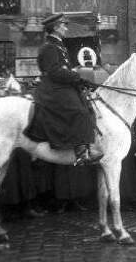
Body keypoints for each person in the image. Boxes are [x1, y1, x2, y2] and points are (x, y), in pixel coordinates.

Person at [24, 13, 102, 167]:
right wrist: (77, 77)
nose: (66, 28)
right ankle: (80, 153)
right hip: (52, 88)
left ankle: (87, 145)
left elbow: (63, 70)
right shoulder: (49, 47)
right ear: (55, 27)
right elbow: (54, 71)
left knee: (85, 103)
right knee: (79, 111)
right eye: (63, 25)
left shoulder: (58, 45)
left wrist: (79, 80)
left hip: (60, 85)